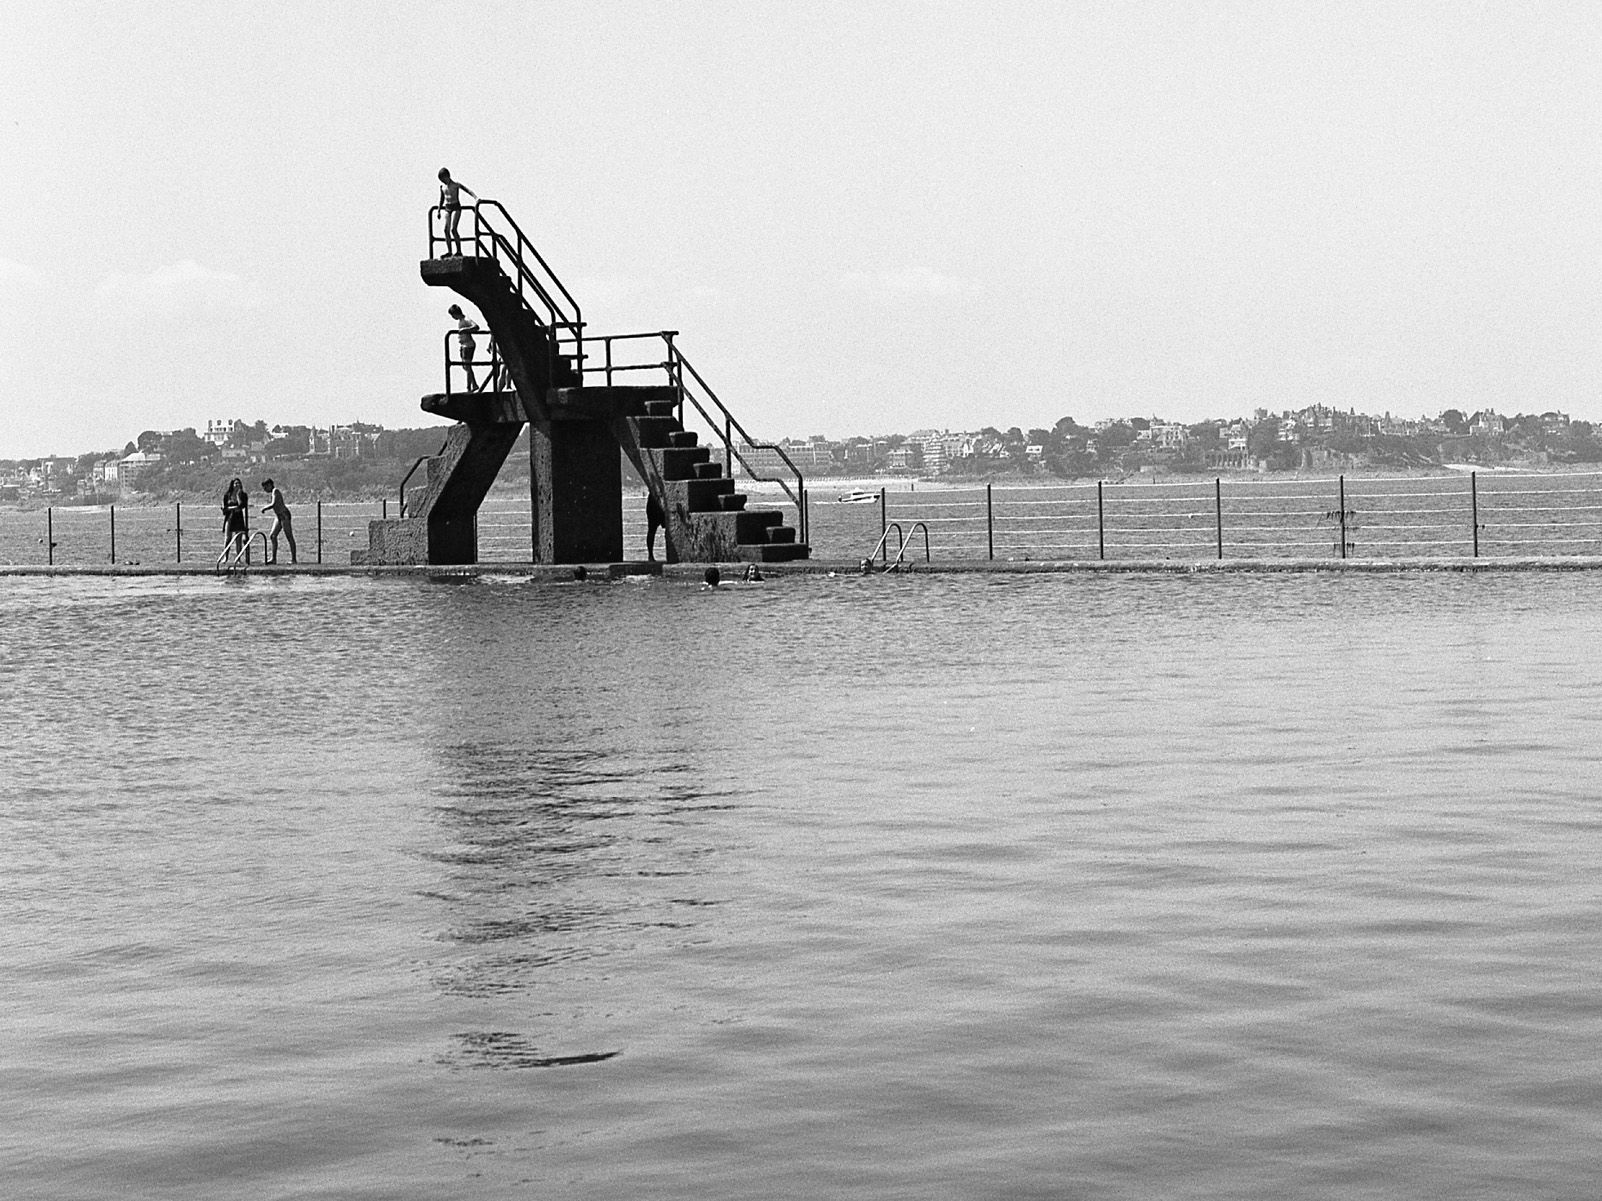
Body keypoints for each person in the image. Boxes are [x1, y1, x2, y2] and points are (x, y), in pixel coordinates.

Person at [437, 167, 478, 257]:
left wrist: (476, 198)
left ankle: (459, 250)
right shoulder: (442, 187)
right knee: (445, 230)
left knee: (453, 229)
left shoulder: (455, 185)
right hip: (447, 208)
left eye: (443, 179)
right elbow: (441, 199)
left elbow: (468, 190)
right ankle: (449, 251)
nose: (442, 181)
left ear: (447, 176)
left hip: (456, 207)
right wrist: (439, 210)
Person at [259, 478, 297, 565]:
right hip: (278, 516)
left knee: (289, 536)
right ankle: (273, 559)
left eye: (265, 488)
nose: (265, 490)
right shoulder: (272, 493)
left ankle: (294, 559)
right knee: (272, 536)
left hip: (284, 515)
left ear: (269, 485)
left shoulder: (275, 491)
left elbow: (273, 504)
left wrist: (264, 508)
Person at [448, 304, 481, 392]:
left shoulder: (466, 319)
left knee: (467, 366)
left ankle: (472, 385)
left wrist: (465, 330)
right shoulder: (460, 321)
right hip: (464, 345)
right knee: (466, 366)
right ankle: (470, 386)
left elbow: (476, 327)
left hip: (468, 345)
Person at [221, 478, 249, 562]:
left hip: (238, 518)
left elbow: (242, 506)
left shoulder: (243, 495)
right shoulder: (227, 495)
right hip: (229, 517)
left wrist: (238, 495)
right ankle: (225, 557)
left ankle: (238, 558)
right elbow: (224, 508)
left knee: (238, 539)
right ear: (232, 485)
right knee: (228, 538)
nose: (237, 485)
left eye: (239, 483)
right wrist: (232, 508)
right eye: (235, 483)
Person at [645, 493, 664, 561]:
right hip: (655, 502)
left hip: (660, 499)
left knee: (651, 530)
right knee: (652, 530)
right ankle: (650, 555)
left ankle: (650, 555)